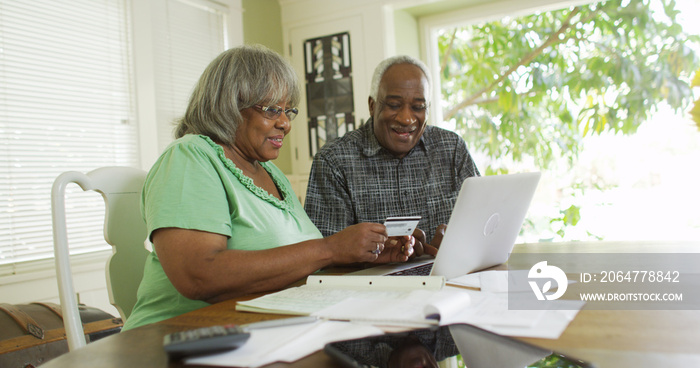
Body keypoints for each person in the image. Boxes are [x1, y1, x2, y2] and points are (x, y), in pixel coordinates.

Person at [123, 45, 413, 330]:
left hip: (263, 334)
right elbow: (199, 275)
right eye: (273, 110)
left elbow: (293, 264)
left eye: (289, 111)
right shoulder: (190, 156)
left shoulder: (271, 173)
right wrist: (329, 249)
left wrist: (365, 256)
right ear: (230, 106)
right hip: (177, 342)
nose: (285, 124)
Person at [304, 55, 480, 256]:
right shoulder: (334, 162)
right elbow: (322, 259)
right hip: (370, 286)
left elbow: (485, 222)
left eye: (418, 107)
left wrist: (459, 245)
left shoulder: (452, 149)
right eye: (394, 105)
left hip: (450, 279)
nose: (406, 118)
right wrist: (373, 256)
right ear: (372, 106)